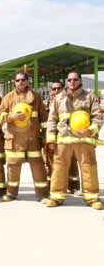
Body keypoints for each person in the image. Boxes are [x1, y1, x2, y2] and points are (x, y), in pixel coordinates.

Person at [44, 72, 103, 209]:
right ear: (67, 81)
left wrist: (91, 130)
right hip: (64, 140)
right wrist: (51, 139)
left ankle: (92, 198)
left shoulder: (90, 97)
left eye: (75, 79)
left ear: (80, 81)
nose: (72, 82)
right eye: (69, 79)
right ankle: (56, 196)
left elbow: (98, 118)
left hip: (84, 140)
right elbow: (52, 120)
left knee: (89, 167)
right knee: (59, 168)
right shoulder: (58, 98)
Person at [0, 72, 48, 202]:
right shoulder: (8, 98)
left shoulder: (36, 97)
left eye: (23, 80)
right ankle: (11, 192)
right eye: (18, 80)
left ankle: (42, 193)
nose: (20, 82)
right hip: (14, 139)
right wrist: (12, 117)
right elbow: (1, 115)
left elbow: (44, 119)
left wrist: (46, 137)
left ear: (27, 81)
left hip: (33, 138)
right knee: (13, 166)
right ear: (14, 82)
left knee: (38, 166)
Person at [43, 81, 80, 193]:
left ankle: (73, 186)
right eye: (53, 89)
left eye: (58, 88)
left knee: (71, 162)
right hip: (49, 138)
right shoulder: (45, 105)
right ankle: (52, 186)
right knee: (50, 163)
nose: (56, 91)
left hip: (65, 138)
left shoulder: (67, 102)